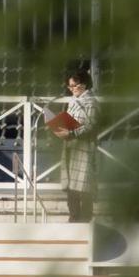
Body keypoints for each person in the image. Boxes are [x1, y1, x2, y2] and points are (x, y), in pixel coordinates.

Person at [51, 70, 99, 222]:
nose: (72, 89)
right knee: (71, 186)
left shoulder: (91, 102)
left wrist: (72, 133)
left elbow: (91, 125)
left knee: (83, 186)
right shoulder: (72, 101)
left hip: (83, 148)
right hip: (70, 147)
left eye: (74, 86)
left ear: (84, 84)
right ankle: (73, 216)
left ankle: (85, 220)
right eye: (69, 87)